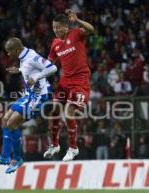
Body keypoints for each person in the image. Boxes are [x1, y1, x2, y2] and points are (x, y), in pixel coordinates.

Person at [0, 37, 57, 173]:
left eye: (9, 51)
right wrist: (19, 70)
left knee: (12, 123)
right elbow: (30, 68)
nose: (8, 54)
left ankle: (17, 159)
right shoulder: (24, 57)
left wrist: (36, 77)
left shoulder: (32, 57)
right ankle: (5, 156)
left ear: (17, 49)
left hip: (39, 96)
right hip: (29, 95)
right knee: (6, 119)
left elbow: (52, 68)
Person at [43, 9, 94, 161]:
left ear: (66, 26)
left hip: (80, 81)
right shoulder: (55, 44)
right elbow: (49, 63)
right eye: (54, 28)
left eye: (58, 27)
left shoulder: (76, 34)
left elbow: (91, 30)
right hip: (65, 81)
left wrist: (77, 20)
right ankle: (55, 145)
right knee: (54, 112)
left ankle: (73, 147)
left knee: (69, 111)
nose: (56, 30)